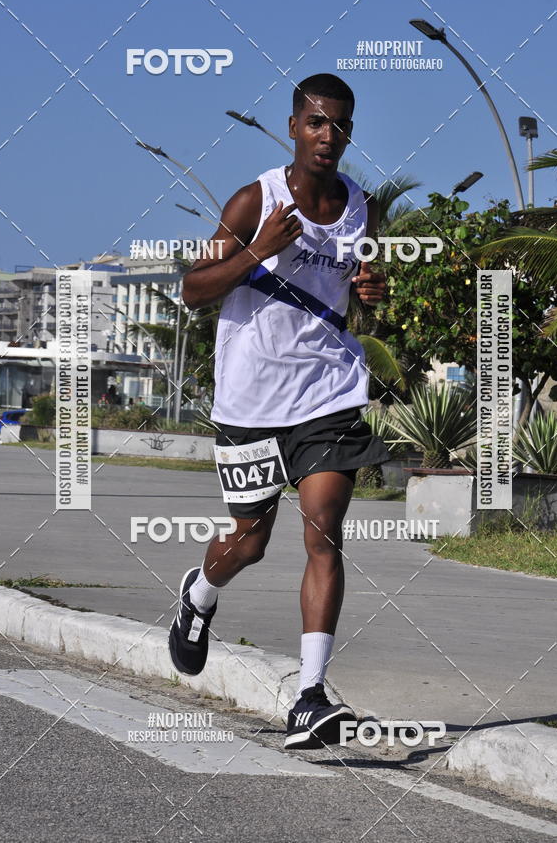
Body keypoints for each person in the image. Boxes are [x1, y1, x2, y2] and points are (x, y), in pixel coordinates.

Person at [169, 73, 390, 750]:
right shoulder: (252, 200)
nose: (329, 136)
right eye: (317, 123)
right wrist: (256, 250)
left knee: (323, 529)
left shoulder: (360, 206)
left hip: (327, 391)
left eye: (341, 126)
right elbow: (192, 290)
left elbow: (360, 297)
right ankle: (201, 591)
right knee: (251, 541)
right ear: (293, 127)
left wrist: (373, 292)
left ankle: (310, 693)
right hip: (250, 397)